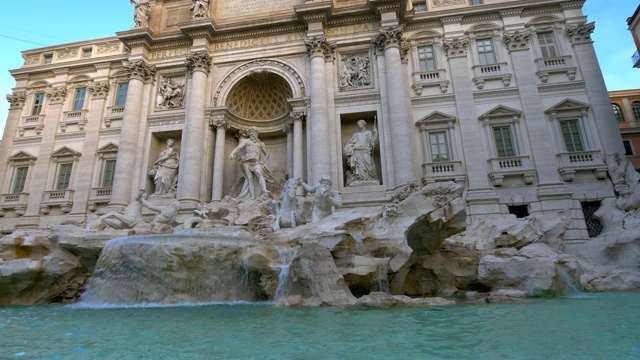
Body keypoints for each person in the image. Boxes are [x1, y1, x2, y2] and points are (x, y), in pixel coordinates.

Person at [229, 127, 272, 200]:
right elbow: (238, 148)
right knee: (250, 178)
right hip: (247, 160)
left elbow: (267, 154)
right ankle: (252, 196)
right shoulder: (246, 141)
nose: (253, 133)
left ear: (257, 133)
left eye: (254, 132)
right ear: (250, 133)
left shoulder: (261, 144)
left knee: (259, 173)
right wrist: (232, 153)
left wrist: (264, 160)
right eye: (251, 132)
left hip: (256, 161)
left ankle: (264, 189)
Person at [344, 119, 378, 185]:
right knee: (359, 166)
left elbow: (372, 142)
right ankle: (360, 178)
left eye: (360, 124)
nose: (359, 126)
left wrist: (375, 132)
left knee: (369, 164)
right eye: (358, 124)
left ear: (364, 124)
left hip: (366, 151)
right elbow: (350, 143)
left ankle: (370, 178)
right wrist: (349, 148)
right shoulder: (356, 134)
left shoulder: (368, 133)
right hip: (357, 151)